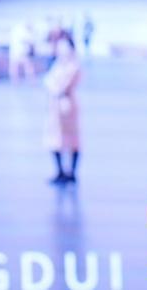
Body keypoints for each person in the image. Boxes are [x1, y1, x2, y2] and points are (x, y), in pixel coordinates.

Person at [43, 33, 82, 185]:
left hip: (67, 105)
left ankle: (71, 172)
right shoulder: (58, 64)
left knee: (72, 139)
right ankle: (59, 171)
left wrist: (54, 86)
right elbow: (47, 81)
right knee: (55, 138)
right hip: (55, 105)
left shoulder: (74, 66)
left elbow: (61, 86)